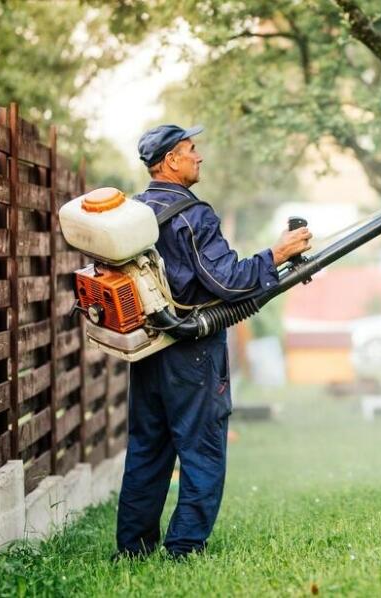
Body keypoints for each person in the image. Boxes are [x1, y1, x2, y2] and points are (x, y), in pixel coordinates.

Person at [114, 124, 311, 559]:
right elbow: (229, 281)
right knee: (202, 449)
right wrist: (277, 254)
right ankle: (184, 548)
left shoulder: (135, 213)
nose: (199, 156)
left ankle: (132, 548)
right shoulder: (192, 214)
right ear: (169, 161)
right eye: (191, 150)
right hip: (192, 352)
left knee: (148, 448)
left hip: (149, 348)